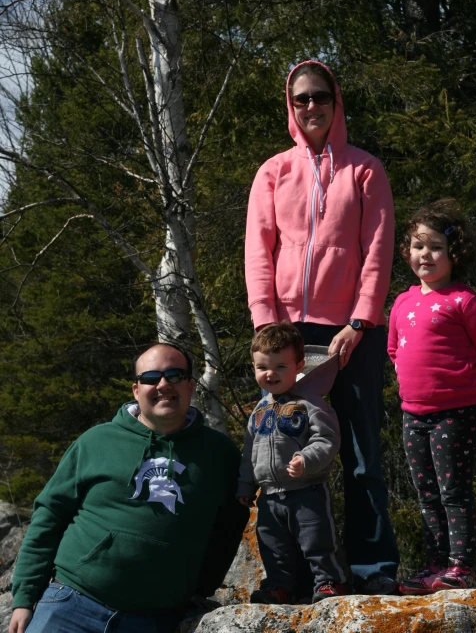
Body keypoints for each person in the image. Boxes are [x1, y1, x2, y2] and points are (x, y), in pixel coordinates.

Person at [245, 60, 399, 594]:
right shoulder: (273, 171)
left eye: (320, 96)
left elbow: (378, 252)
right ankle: (296, 575)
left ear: (336, 101)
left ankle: (370, 572)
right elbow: (259, 255)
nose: (311, 106)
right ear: (291, 107)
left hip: (352, 331)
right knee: (281, 456)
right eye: (300, 98)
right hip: (289, 335)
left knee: (359, 454)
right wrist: (269, 329)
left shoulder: (365, 170)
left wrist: (360, 320)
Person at [9, 343, 249, 633]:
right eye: (151, 378)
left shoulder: (220, 454)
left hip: (155, 620)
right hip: (70, 605)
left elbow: (229, 528)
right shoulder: (96, 441)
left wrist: (200, 588)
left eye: (174, 375)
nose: (163, 385)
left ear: (190, 385)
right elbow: (49, 516)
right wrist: (24, 598)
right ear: (136, 389)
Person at [388, 199, 476, 594]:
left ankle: (461, 567)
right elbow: (394, 350)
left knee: (454, 491)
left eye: (436, 247)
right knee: (426, 494)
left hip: (455, 414)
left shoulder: (465, 302)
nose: (426, 254)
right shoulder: (403, 302)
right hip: (413, 414)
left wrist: (466, 388)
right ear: (407, 251)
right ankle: (433, 565)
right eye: (418, 245)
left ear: (454, 254)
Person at [237, 322, 346, 604]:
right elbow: (250, 451)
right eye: (262, 368)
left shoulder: (311, 404)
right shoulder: (258, 411)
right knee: (273, 545)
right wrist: (246, 485)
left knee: (317, 540)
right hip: (269, 496)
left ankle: (328, 582)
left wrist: (305, 459)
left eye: (280, 367)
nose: (270, 374)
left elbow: (327, 440)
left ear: (298, 365)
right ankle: (279, 585)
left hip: (307, 489)